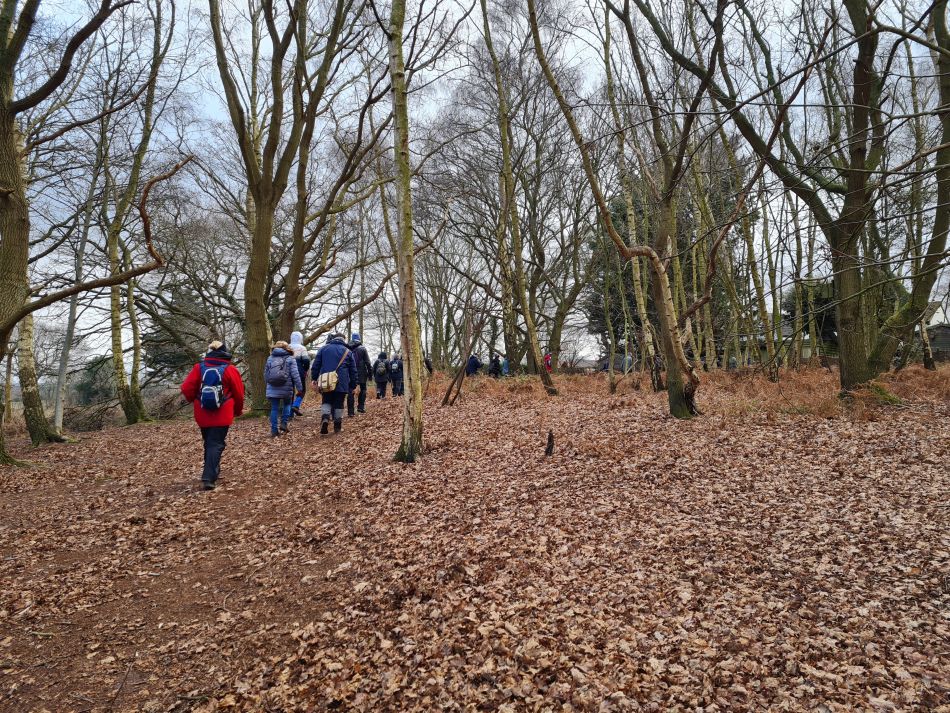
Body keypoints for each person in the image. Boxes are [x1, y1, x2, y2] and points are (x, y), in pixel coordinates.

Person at [180, 340, 245, 491]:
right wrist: (238, 410)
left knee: (209, 442)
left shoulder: (199, 368)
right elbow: (239, 394)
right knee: (216, 443)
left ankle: (213, 471)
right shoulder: (230, 369)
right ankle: (209, 477)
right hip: (223, 413)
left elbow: (187, 388)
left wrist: (193, 400)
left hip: (202, 412)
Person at [311, 332, 357, 434]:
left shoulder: (323, 349)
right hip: (341, 381)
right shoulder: (348, 351)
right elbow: (353, 370)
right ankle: (337, 426)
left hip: (325, 380)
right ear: (343, 339)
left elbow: (316, 365)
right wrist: (353, 385)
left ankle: (325, 418)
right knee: (339, 403)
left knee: (326, 400)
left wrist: (314, 378)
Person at [265, 340, 302, 437]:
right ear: (287, 348)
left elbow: (266, 374)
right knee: (287, 404)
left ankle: (274, 431)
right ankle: (284, 423)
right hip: (286, 387)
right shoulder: (290, 358)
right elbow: (295, 375)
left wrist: (268, 385)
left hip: (272, 386)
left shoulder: (270, 358)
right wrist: (299, 388)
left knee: (274, 409)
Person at [347, 332, 372, 416]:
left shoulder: (347, 348)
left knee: (350, 390)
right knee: (363, 389)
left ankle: (350, 412)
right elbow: (368, 362)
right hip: (362, 372)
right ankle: (360, 407)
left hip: (350, 372)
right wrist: (370, 374)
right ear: (359, 338)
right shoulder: (363, 349)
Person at [289, 331, 311, 418]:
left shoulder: (287, 347)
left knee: (290, 392)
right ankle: (296, 405)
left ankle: (290, 415)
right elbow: (306, 360)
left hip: (288, 372)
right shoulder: (302, 348)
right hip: (299, 371)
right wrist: (305, 369)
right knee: (302, 390)